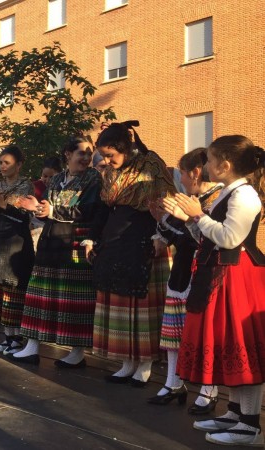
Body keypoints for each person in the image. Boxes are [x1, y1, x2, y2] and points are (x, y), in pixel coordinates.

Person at [166, 136, 265, 447]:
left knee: (241, 343)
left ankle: (250, 424)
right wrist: (190, 220)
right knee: (228, 343)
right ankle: (235, 412)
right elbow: (207, 238)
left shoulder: (245, 195)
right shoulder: (229, 191)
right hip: (221, 274)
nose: (205, 166)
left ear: (226, 165)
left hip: (237, 275)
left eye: (209, 160)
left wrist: (197, 215)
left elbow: (230, 237)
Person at [85, 122, 175, 386]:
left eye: (111, 155)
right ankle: (127, 361)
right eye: (104, 156)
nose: (107, 161)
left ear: (125, 148)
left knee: (140, 307)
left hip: (144, 240)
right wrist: (92, 238)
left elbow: (165, 203)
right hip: (114, 242)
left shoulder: (151, 165)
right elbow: (103, 209)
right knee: (120, 307)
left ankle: (145, 362)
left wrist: (162, 235)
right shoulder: (111, 175)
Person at [13, 137, 102, 366]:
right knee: (41, 294)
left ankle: (77, 351)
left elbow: (86, 209)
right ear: (68, 154)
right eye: (81, 153)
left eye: (88, 153)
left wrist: (50, 209)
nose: (85, 157)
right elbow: (47, 207)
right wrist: (38, 208)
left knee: (72, 299)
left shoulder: (92, 178)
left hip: (74, 242)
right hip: (50, 240)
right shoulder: (57, 179)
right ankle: (32, 345)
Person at [146, 148, 222, 411]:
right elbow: (181, 236)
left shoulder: (216, 200)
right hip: (182, 270)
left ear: (194, 173)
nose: (182, 180)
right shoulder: (196, 198)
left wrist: (185, 217)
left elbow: (208, 239)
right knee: (174, 333)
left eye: (182, 174)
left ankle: (208, 389)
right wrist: (163, 221)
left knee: (201, 334)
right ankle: (173, 382)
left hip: (203, 273)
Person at [0, 146, 35, 355]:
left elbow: (25, 216)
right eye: (1, 162)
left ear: (18, 165)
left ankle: (17, 338)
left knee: (13, 288)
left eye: (7, 163)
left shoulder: (25, 185)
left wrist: (2, 204)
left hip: (16, 241)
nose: (2, 166)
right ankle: (7, 336)